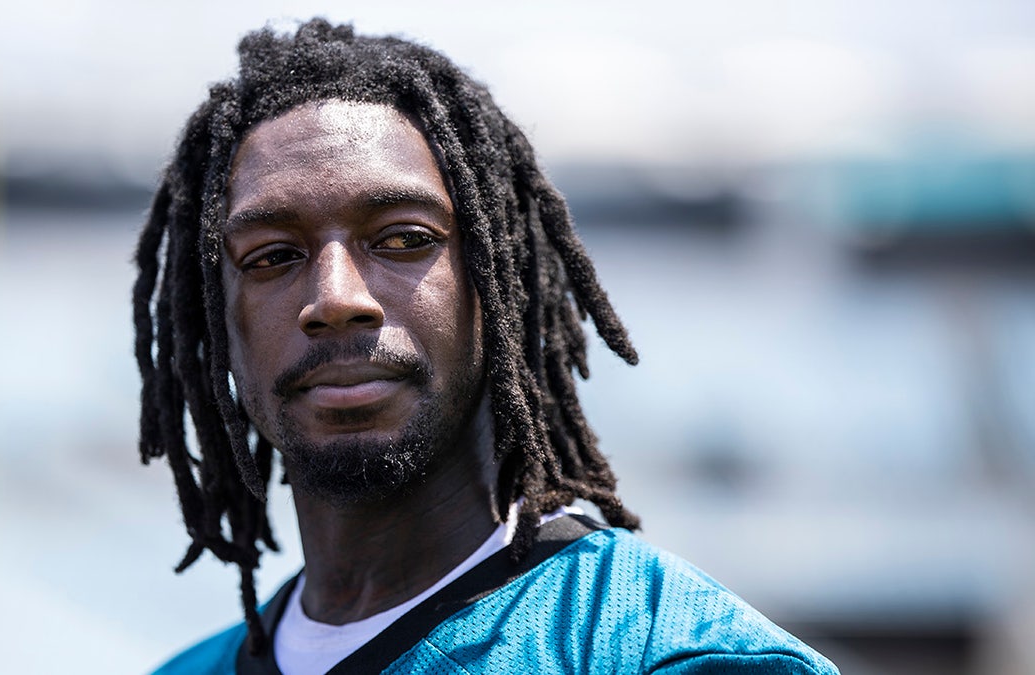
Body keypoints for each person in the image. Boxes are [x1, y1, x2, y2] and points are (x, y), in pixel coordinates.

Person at [133, 18, 839, 675]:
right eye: (272, 256)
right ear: (214, 321)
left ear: (498, 283)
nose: (337, 297)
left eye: (405, 239)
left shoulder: (669, 654)